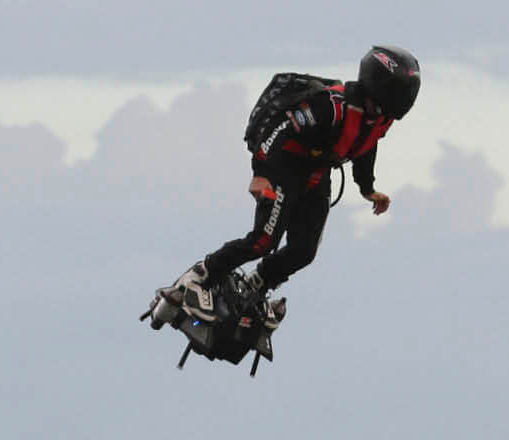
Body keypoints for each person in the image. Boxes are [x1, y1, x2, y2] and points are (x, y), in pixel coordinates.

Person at [169, 45, 421, 320]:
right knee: (262, 241)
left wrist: (368, 189)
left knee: (303, 251)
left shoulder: (380, 119)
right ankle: (200, 277)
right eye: (401, 91)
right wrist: (261, 174)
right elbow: (281, 130)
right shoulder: (332, 106)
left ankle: (258, 282)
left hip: (317, 175)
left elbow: (364, 147)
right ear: (379, 83)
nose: (405, 98)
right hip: (283, 168)